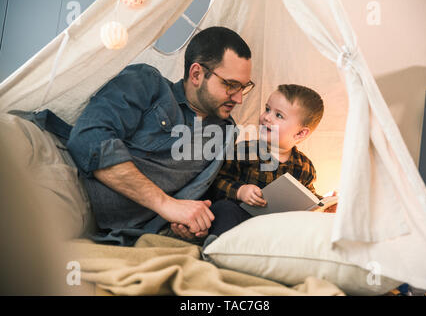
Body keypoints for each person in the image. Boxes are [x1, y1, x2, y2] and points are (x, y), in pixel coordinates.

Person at [13, 26, 254, 246]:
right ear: (197, 74)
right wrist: (166, 205)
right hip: (62, 160)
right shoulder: (148, 83)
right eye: (231, 85)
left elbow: (192, 199)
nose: (239, 98)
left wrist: (186, 223)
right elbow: (88, 137)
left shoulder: (223, 134)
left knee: (29, 236)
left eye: (243, 87)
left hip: (90, 204)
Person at [182, 84, 334, 239]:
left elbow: (308, 198)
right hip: (241, 220)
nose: (266, 117)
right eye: (267, 109)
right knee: (225, 209)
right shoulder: (244, 151)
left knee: (307, 225)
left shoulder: (305, 167)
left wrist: (325, 202)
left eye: (279, 115)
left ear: (300, 133)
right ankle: (216, 245)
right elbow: (216, 183)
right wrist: (240, 191)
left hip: (276, 228)